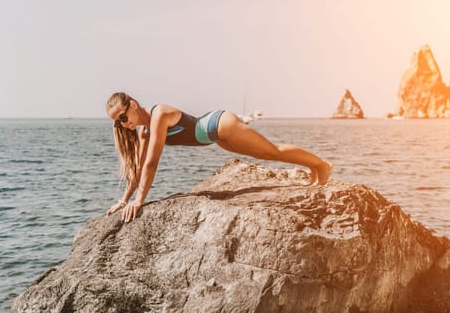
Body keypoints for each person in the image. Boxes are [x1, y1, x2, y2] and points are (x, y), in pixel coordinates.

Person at [105, 92, 332, 222]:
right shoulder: (145, 131)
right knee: (269, 152)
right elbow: (140, 166)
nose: (124, 124)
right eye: (118, 122)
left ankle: (321, 165)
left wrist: (139, 200)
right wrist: (125, 200)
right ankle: (313, 167)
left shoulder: (159, 114)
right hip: (217, 138)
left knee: (272, 151)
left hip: (220, 124)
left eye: (124, 116)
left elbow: (152, 163)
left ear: (133, 105)